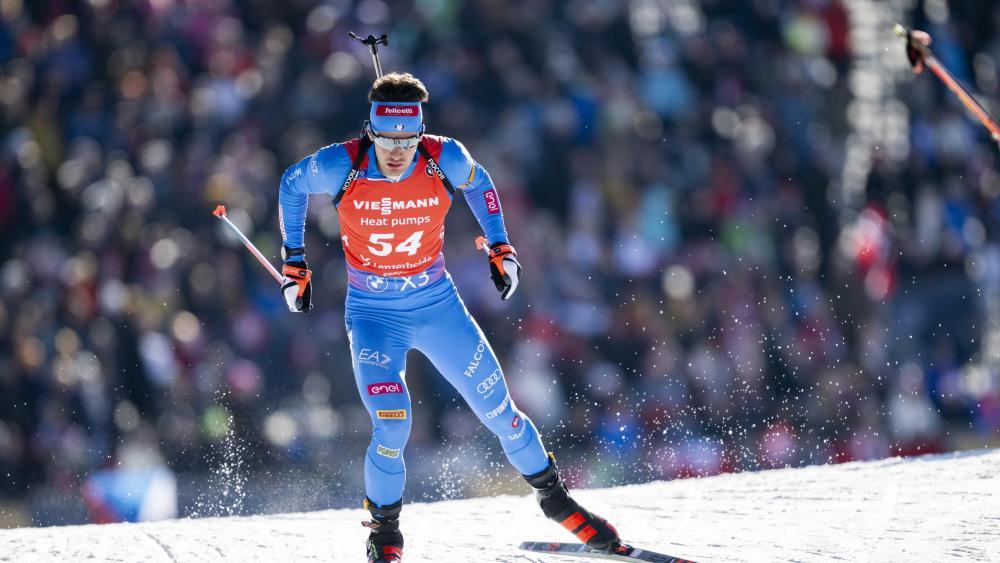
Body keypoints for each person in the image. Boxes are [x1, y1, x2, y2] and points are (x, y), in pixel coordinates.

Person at [276, 72, 621, 562]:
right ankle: (384, 532)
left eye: (407, 140)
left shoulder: (444, 157)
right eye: (386, 140)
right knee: (394, 425)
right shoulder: (342, 164)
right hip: (375, 315)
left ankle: (557, 501)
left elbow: (481, 184)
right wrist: (294, 261)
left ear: (420, 133)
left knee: (502, 414)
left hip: (437, 306)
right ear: (369, 131)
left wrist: (500, 246)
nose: (397, 153)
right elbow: (291, 182)